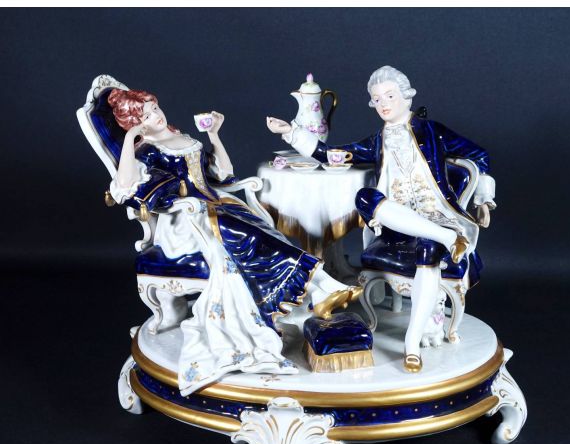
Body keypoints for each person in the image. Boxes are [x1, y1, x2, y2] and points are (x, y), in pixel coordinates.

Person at [107, 88, 360, 394]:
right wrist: (131, 138)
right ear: (136, 124)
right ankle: (321, 286)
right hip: (187, 221)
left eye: (155, 109)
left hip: (216, 205)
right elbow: (124, 187)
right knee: (248, 236)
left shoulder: (183, 137)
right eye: (145, 116)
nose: (155, 117)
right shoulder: (147, 151)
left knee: (265, 234)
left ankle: (320, 288)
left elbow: (223, 173)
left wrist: (214, 135)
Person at [267, 65, 496, 373]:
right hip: (397, 225)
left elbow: (478, 155)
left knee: (428, 249)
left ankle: (411, 345)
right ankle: (449, 240)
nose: (384, 104)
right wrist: (290, 132)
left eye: (389, 96)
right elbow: (330, 154)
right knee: (365, 197)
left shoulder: (433, 131)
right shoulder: (378, 141)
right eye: (377, 99)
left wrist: (484, 199)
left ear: (406, 96)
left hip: (439, 217)